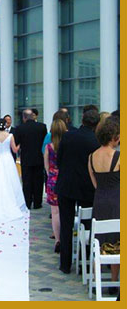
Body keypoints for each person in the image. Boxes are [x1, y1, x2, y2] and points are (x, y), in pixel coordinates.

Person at [56, 109, 100, 274]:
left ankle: (65, 264)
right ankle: (84, 264)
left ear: (82, 120)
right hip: (86, 188)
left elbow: (59, 159)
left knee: (66, 225)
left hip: (66, 185)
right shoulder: (96, 141)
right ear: (96, 124)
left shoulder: (68, 136)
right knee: (86, 225)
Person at [88, 117, 120, 293]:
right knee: (116, 241)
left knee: (98, 241)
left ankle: (96, 281)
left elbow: (95, 183)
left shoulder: (91, 157)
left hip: (99, 201)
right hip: (117, 202)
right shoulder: (119, 157)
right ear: (113, 136)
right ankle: (114, 282)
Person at [15, 109, 47, 209]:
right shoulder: (42, 127)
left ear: (24, 118)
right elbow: (44, 142)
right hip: (39, 158)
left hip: (26, 158)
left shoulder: (20, 128)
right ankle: (38, 203)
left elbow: (17, 143)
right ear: (33, 116)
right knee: (38, 181)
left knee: (27, 181)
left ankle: (27, 202)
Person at [44, 119, 67, 253]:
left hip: (53, 179)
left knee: (55, 212)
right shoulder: (67, 145)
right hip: (64, 178)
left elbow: (46, 166)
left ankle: (57, 239)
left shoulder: (49, 147)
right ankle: (65, 237)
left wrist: (51, 174)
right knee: (65, 210)